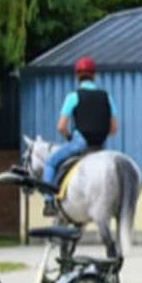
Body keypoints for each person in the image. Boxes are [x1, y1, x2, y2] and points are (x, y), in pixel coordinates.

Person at [42, 55, 118, 216]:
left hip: (80, 143)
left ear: (77, 76)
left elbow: (61, 127)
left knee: (49, 163)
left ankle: (48, 202)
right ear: (94, 75)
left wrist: (69, 137)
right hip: (100, 146)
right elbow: (113, 129)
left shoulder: (73, 96)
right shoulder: (107, 96)